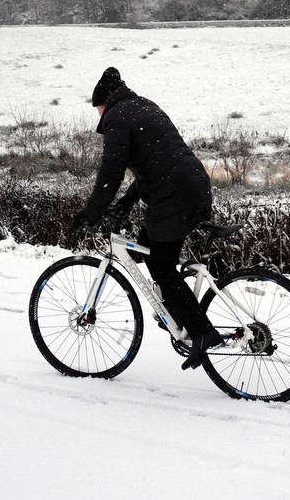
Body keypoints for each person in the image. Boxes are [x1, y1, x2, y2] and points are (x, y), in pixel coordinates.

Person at [71, 67, 224, 370]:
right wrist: (123, 205)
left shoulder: (117, 117)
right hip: (192, 184)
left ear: (103, 103)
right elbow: (153, 167)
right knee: (147, 247)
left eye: (97, 108)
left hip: (174, 195)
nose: (98, 114)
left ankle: (202, 333)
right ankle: (176, 311)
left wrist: (90, 215)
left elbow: (110, 175)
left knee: (162, 266)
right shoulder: (143, 106)